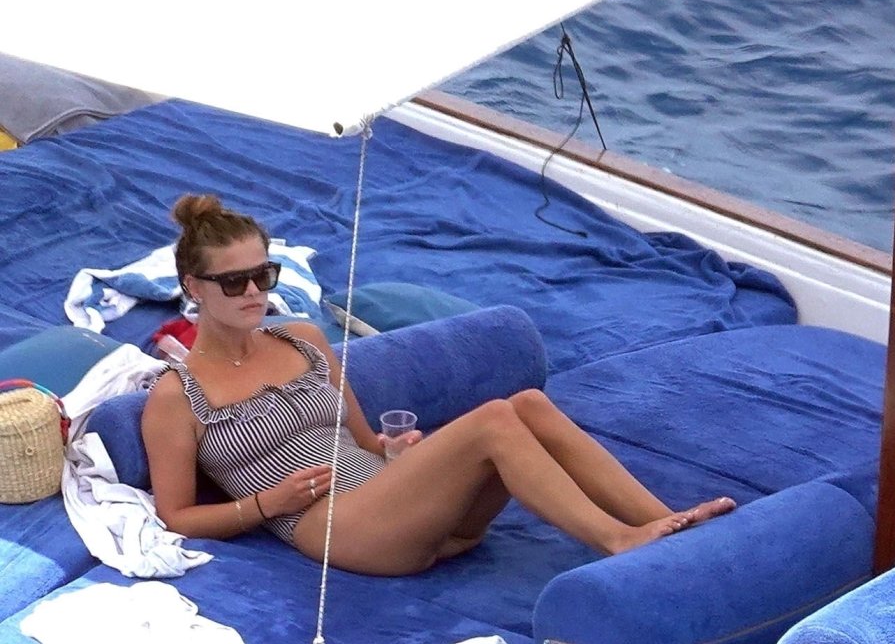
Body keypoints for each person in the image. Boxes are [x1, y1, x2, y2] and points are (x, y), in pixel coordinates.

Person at [142, 194, 735, 576]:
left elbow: (366, 442)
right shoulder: (177, 394)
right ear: (193, 286)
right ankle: (618, 541)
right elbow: (176, 516)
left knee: (528, 403)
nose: (253, 292)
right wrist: (264, 505)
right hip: (334, 527)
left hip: (404, 506)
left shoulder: (303, 339)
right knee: (494, 419)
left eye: (263, 275)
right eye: (234, 282)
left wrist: (399, 453)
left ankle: (672, 525)